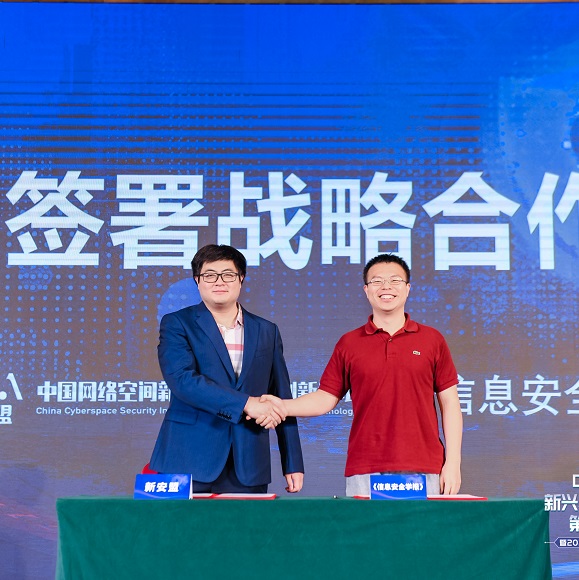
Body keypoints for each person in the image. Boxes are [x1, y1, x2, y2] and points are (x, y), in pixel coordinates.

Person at [261, 253, 462, 496]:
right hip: (366, 466)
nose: (386, 287)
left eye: (395, 280)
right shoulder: (350, 343)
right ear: (366, 290)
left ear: (408, 288)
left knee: (422, 523)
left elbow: (450, 403)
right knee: (366, 523)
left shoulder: (432, 340)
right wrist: (281, 406)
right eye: (377, 281)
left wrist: (453, 464)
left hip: (424, 465)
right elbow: (325, 398)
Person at [150, 244, 304, 494]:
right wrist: (247, 404)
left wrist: (292, 462)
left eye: (228, 274)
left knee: (246, 522)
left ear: (241, 278)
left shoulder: (267, 330)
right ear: (197, 280)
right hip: (187, 457)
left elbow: (281, 397)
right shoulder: (178, 323)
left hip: (249, 463)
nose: (219, 281)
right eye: (210, 275)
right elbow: (182, 381)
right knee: (179, 522)